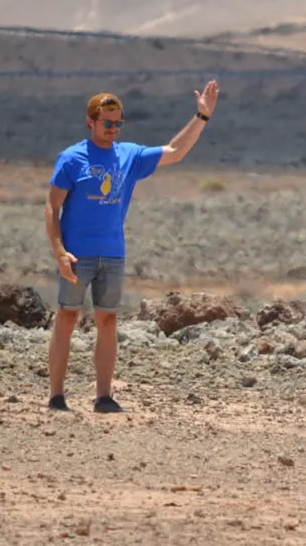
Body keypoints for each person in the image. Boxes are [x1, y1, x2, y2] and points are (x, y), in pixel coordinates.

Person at [44, 80, 219, 413]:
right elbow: (52, 207)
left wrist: (201, 118)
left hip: (112, 253)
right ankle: (56, 396)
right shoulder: (71, 159)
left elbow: (174, 152)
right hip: (76, 253)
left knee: (107, 321)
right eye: (107, 123)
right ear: (90, 122)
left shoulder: (130, 156)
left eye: (117, 123)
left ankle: (103, 396)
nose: (112, 129)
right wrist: (59, 251)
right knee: (67, 317)